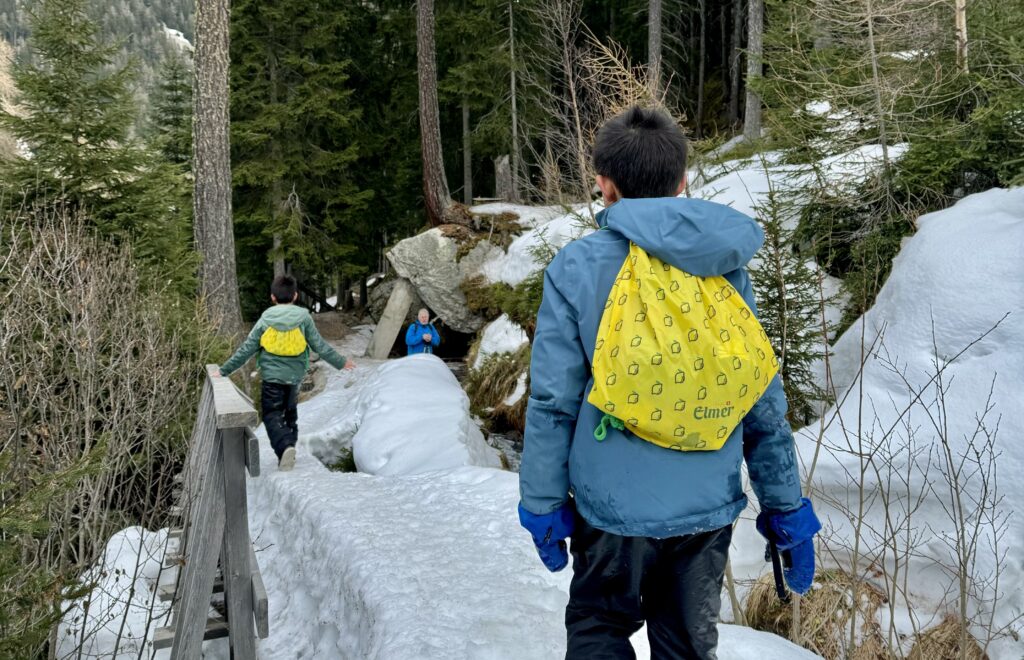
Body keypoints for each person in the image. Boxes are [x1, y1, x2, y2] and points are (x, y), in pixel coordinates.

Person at [517, 107, 821, 659]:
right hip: (704, 505)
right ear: (683, 182)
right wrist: (784, 506)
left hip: (608, 510)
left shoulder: (577, 267)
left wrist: (541, 502)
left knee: (599, 629)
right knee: (686, 646)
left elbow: (553, 402)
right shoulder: (723, 267)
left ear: (604, 185)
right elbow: (758, 399)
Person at [218, 275, 355, 471]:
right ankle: (289, 447)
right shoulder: (304, 318)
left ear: (273, 297)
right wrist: (341, 362)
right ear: (296, 295)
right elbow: (319, 346)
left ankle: (284, 448)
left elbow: (247, 348)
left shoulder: (266, 318)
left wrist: (224, 370)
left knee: (272, 414)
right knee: (290, 413)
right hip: (294, 377)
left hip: (271, 377)